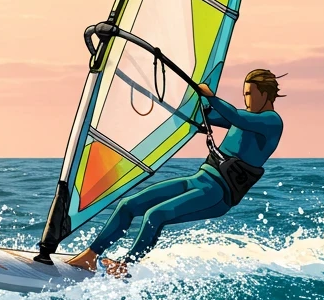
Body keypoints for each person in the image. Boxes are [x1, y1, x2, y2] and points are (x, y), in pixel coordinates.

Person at [68, 68, 284, 275]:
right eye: (244, 93)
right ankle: (90, 256)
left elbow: (238, 117)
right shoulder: (246, 118)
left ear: (265, 94)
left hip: (218, 194)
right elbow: (207, 117)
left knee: (156, 215)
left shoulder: (270, 122)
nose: (246, 98)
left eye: (249, 93)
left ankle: (126, 266)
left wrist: (212, 97)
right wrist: (186, 101)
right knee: (128, 205)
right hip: (200, 179)